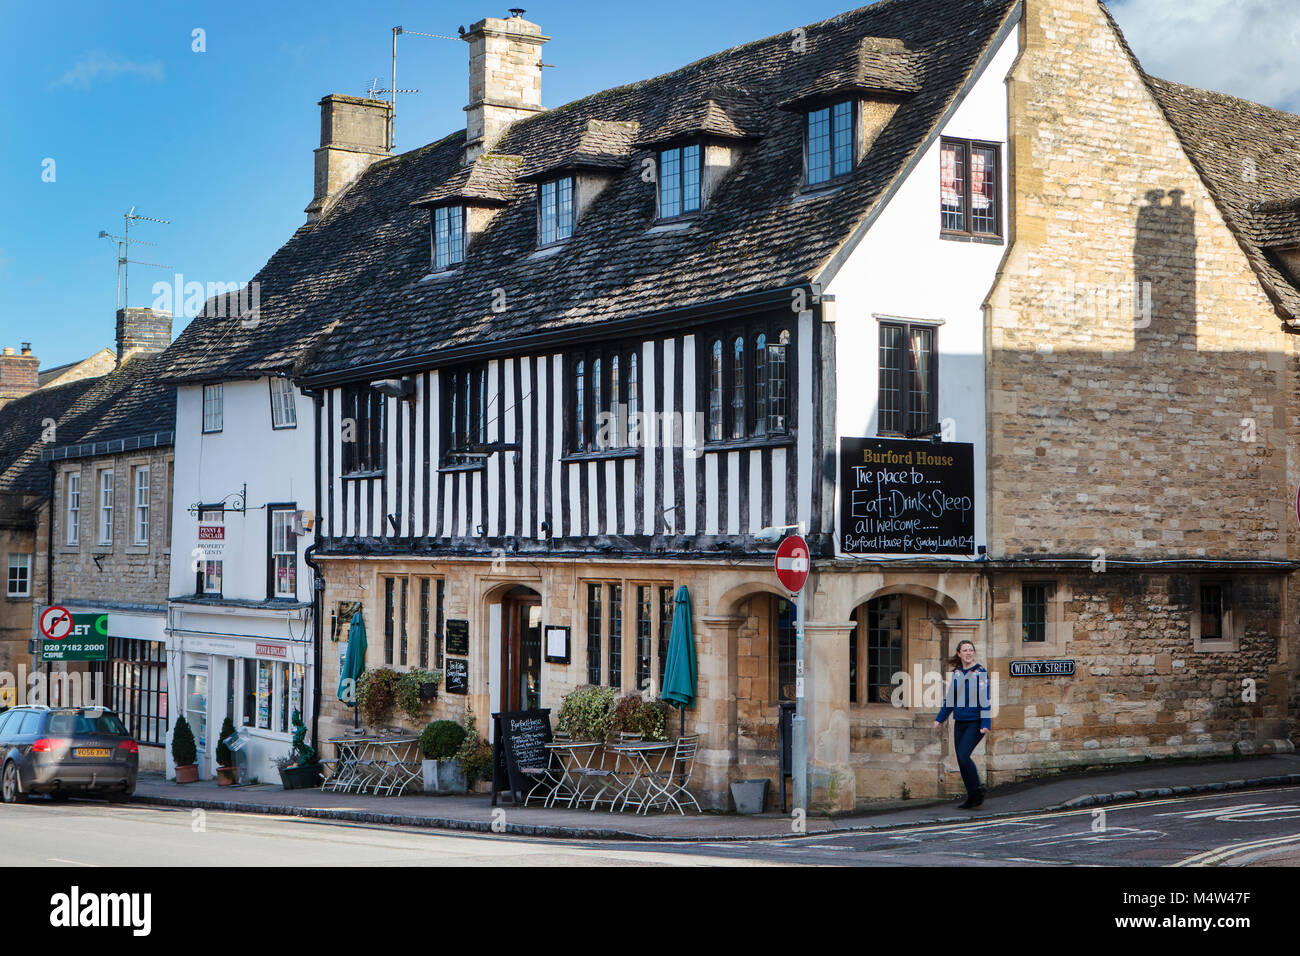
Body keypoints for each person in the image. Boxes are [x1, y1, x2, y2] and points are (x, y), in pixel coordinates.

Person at [934, 639, 991, 809]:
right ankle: (972, 796)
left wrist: (985, 723)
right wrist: (940, 718)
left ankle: (978, 790)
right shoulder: (957, 673)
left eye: (971, 650)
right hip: (960, 722)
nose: (968, 653)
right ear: (959, 653)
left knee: (964, 755)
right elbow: (950, 699)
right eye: (965, 650)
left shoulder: (980, 672)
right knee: (960, 759)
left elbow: (985, 698)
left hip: (975, 723)